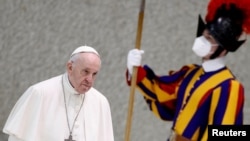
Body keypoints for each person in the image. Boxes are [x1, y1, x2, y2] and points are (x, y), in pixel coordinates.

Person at [125, 0, 250, 140]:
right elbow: (163, 94)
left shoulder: (230, 87)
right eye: (204, 34)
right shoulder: (190, 72)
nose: (203, 40)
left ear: (223, 49)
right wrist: (135, 70)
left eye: (210, 38)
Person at [3, 46, 114, 141]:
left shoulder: (100, 102)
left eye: (94, 74)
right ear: (70, 67)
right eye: (86, 71)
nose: (90, 79)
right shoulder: (39, 93)